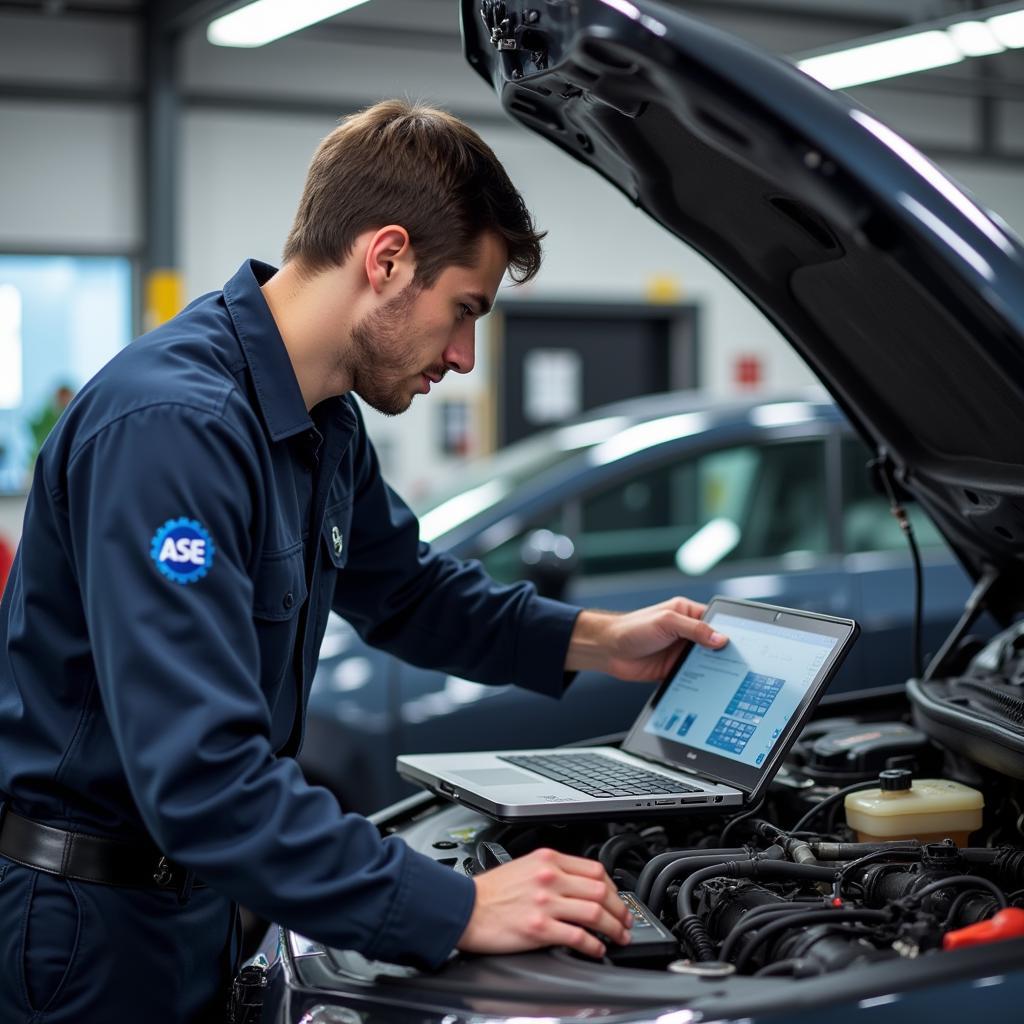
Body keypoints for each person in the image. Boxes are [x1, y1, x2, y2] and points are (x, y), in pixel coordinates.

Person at [0, 100, 726, 1023]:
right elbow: (203, 779)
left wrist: (601, 640)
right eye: (465, 310)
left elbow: (411, 593)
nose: (465, 357)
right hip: (92, 935)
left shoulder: (323, 422)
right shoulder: (174, 431)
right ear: (386, 259)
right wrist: (459, 907)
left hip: (200, 909)